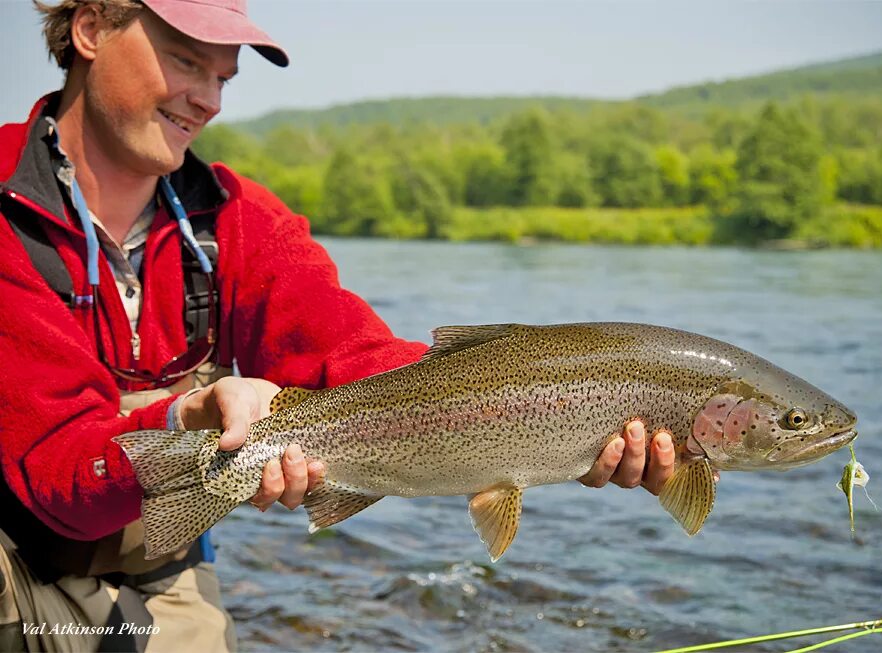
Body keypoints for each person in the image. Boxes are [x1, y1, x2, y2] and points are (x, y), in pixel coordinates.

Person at [0, 0, 676, 650]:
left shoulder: (235, 220)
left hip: (151, 556)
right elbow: (56, 468)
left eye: (223, 77)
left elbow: (357, 359)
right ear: (89, 27)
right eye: (185, 62)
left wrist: (542, 417)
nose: (209, 100)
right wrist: (188, 415)